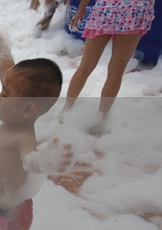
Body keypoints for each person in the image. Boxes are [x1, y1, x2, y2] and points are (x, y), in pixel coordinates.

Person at [0, 26, 74, 230]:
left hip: (11, 215)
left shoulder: (22, 136)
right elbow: (8, 73)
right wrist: (1, 44)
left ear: (28, 110)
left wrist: (47, 159)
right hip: (0, 209)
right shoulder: (14, 117)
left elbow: (31, 161)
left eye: (5, 94)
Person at [64, 0, 155, 133]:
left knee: (85, 66)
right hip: (134, 10)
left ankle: (66, 111)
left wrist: (82, 7)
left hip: (105, 9)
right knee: (115, 72)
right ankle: (100, 120)